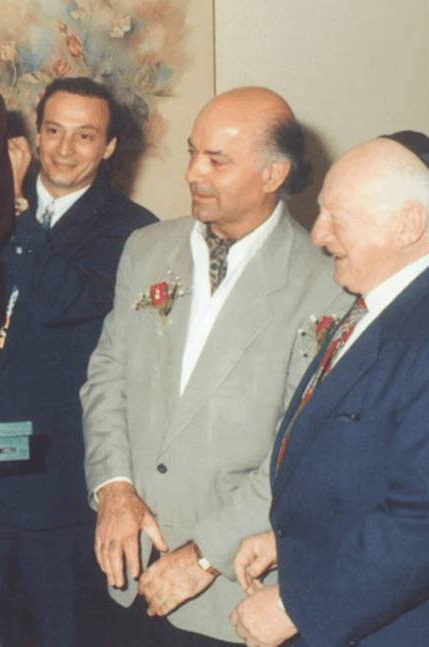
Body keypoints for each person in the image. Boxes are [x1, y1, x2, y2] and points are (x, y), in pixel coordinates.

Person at [80, 87, 350, 646]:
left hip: (231, 591)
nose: (193, 173)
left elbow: (298, 453)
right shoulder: (146, 248)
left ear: (273, 174)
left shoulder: (326, 286)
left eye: (216, 160)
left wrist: (203, 556)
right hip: (126, 569)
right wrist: (113, 488)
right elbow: (106, 377)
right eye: (191, 152)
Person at [230, 133, 429, 647]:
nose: (318, 234)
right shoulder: (383, 304)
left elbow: (424, 522)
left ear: (408, 225)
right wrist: (291, 542)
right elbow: (363, 466)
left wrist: (295, 605)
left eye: (337, 216)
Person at [0, 77, 156, 647]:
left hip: (59, 483)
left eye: (85, 135)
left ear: (110, 146)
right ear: (37, 132)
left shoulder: (131, 229)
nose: (64, 150)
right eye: (53, 131)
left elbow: (63, 300)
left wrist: (15, 205)